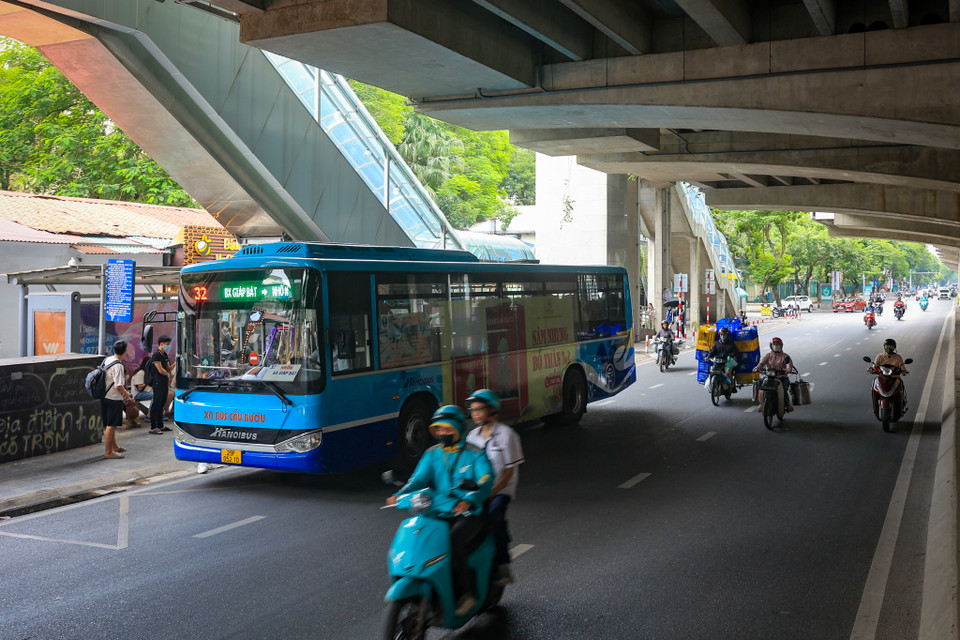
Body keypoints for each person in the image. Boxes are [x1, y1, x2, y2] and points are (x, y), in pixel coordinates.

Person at [385, 406, 493, 616]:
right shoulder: (432, 454)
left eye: (447, 428)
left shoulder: (474, 454)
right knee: (417, 534)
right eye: (439, 429)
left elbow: (486, 479)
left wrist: (470, 499)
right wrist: (400, 494)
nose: (443, 433)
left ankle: (466, 594)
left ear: (459, 428)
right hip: (437, 511)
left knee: (453, 541)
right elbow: (418, 480)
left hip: (468, 514)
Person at [465, 389, 524, 586]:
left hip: (502, 489)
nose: (474, 414)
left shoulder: (507, 435)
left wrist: (492, 492)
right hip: (477, 489)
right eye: (472, 410)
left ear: (491, 410)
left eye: (479, 409)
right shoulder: (471, 437)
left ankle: (503, 566)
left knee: (494, 514)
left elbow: (509, 470)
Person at [101, 340, 133, 459]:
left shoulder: (108, 360)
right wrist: (127, 395)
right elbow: (118, 386)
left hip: (105, 396)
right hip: (113, 397)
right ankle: (108, 452)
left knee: (111, 424)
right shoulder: (118, 366)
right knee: (111, 425)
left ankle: (114, 446)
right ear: (125, 351)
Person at [753, 337, 797, 412]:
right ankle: (761, 403)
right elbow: (762, 363)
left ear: (781, 346)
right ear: (771, 346)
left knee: (783, 389)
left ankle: (787, 404)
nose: (776, 346)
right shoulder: (768, 355)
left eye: (778, 344)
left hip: (781, 377)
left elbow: (789, 365)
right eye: (774, 344)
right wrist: (757, 368)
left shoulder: (785, 356)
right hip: (769, 377)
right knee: (760, 385)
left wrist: (788, 370)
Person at [149, 336, 175, 434]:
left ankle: (160, 425)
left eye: (169, 344)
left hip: (164, 382)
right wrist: (168, 374)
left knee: (161, 404)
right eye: (167, 344)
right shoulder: (156, 355)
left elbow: (168, 369)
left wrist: (176, 362)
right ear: (161, 344)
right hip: (158, 382)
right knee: (156, 404)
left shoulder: (164, 355)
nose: (169, 346)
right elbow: (161, 370)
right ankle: (153, 426)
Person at [706, 327, 740, 392]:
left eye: (724, 334)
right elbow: (712, 352)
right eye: (721, 334)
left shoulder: (731, 344)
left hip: (728, 362)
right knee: (712, 371)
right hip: (718, 361)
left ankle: (732, 386)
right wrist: (708, 357)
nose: (723, 336)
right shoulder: (716, 344)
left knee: (727, 373)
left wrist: (734, 359)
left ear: (727, 335)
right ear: (719, 335)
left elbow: (736, 354)